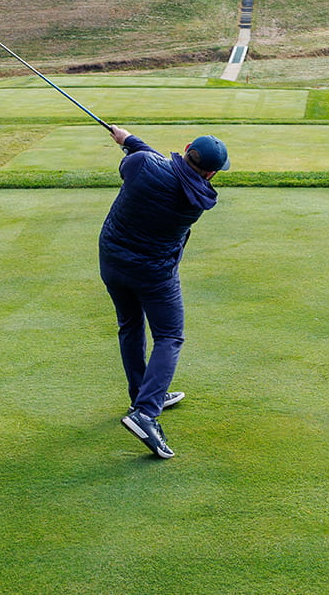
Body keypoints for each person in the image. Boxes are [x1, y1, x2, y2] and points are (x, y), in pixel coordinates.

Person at [100, 125, 227, 459]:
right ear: (212, 172)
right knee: (170, 336)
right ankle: (145, 410)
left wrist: (128, 142)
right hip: (154, 273)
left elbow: (148, 163)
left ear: (186, 148)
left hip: (113, 260)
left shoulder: (141, 165)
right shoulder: (199, 199)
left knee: (129, 325)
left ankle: (143, 395)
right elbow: (168, 171)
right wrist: (131, 142)